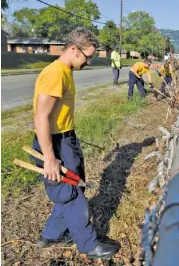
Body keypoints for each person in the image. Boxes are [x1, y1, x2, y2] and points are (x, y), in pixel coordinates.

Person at [31, 27, 118, 259]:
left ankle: (50, 236)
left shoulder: (65, 72)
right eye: (87, 56)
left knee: (69, 189)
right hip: (55, 142)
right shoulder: (55, 73)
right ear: (73, 49)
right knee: (72, 193)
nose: (89, 61)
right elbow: (40, 116)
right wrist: (49, 157)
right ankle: (89, 246)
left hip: (66, 138)